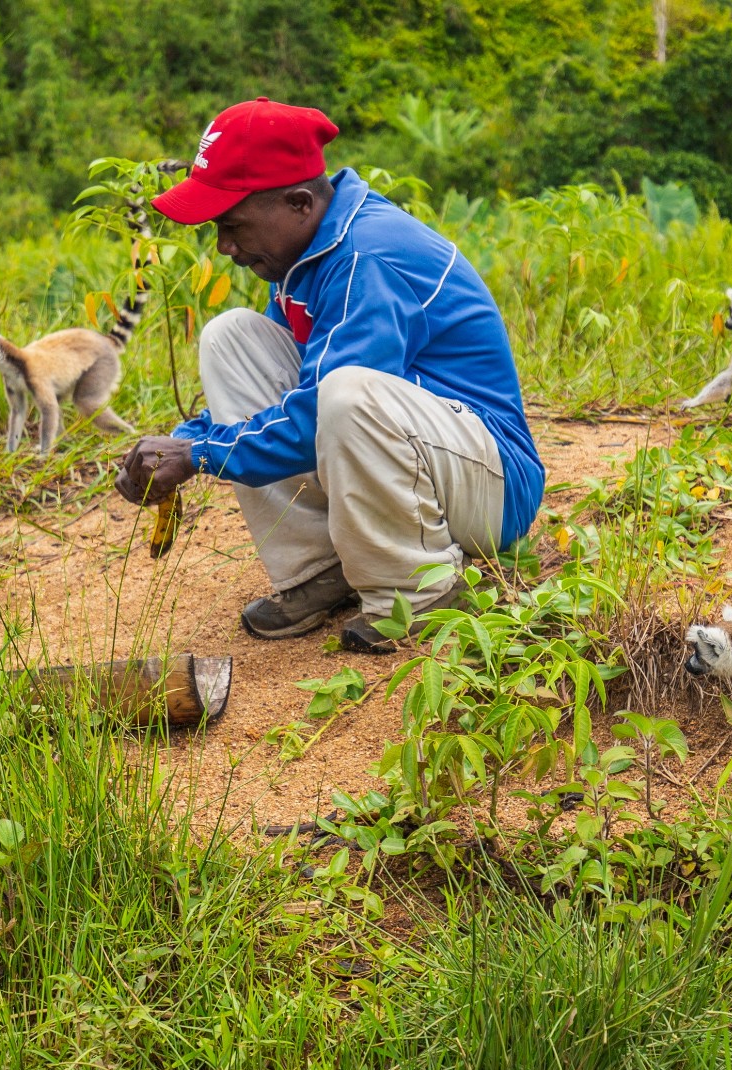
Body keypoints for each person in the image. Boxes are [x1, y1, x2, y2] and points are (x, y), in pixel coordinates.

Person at [114, 97, 544, 653]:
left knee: (345, 392)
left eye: (233, 225)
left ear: (297, 202)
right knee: (232, 337)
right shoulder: (309, 251)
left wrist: (196, 455)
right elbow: (298, 389)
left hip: (492, 485)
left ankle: (418, 591)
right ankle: (322, 566)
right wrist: (186, 439)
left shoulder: (367, 258)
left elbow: (318, 409)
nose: (224, 246)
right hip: (426, 453)